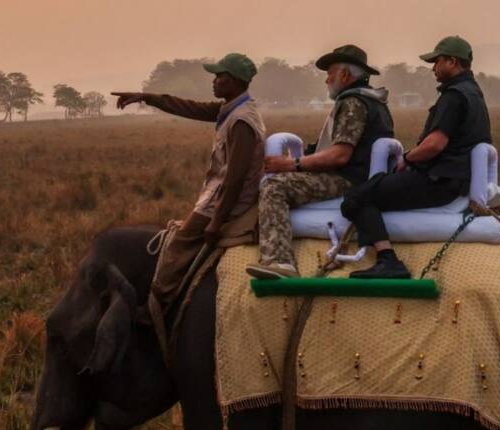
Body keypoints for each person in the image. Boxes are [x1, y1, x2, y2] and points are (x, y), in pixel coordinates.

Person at [111, 52, 266, 332]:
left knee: (178, 245)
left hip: (227, 201)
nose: (214, 82)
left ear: (233, 81)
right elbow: (188, 107)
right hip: (216, 196)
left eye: (220, 77)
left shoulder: (242, 120)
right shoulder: (231, 109)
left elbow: (234, 179)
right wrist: (146, 97)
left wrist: (217, 220)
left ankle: (155, 308)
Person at [341, 35, 493, 279]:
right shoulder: (474, 93)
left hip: (438, 180)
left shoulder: (454, 96)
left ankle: (387, 259)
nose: (433, 68)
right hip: (455, 180)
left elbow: (436, 143)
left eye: (437, 62)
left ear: (452, 62)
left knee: (357, 197)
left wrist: (408, 159)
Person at [246, 44, 394, 279]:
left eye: (330, 73)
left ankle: (280, 262)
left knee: (274, 187)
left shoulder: (353, 103)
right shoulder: (374, 101)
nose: (327, 80)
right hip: (361, 176)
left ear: (345, 75)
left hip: (348, 179)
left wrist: (291, 164)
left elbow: (340, 155)